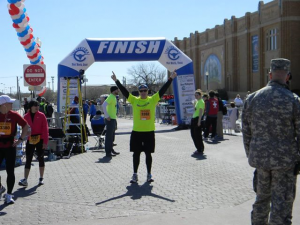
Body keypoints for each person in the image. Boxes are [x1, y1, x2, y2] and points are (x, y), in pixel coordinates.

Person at [242, 58, 300, 224]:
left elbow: (246, 132)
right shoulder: (293, 100)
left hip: (260, 161)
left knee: (261, 201)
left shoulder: (252, 99)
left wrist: (252, 154)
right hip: (285, 162)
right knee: (281, 205)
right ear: (287, 76)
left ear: (270, 74)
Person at [111, 70, 177, 183]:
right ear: (139, 92)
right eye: (141, 91)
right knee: (136, 154)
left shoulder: (153, 99)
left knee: (148, 154)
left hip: (149, 132)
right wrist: (116, 81)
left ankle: (149, 174)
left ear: (148, 91)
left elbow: (163, 90)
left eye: (145, 90)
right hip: (137, 132)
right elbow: (125, 92)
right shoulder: (134, 100)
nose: (143, 92)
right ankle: (135, 174)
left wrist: (171, 78)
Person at [0, 95, 29, 204]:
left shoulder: (14, 115)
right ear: (4, 105)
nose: (12, 104)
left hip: (10, 146)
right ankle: (0, 188)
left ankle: (9, 195)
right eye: (10, 103)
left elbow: (25, 126)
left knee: (10, 171)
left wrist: (21, 139)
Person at [19, 100, 49, 187]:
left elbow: (45, 129)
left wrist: (45, 142)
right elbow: (23, 128)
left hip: (40, 139)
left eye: (38, 106)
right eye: (35, 106)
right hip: (30, 139)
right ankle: (25, 179)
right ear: (30, 107)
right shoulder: (26, 116)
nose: (37, 107)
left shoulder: (42, 115)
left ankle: (41, 178)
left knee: (41, 158)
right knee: (28, 159)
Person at [102, 86, 119, 156]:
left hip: (113, 118)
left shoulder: (113, 97)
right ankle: (108, 152)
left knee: (112, 136)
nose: (118, 91)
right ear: (114, 90)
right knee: (109, 136)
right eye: (117, 90)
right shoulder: (111, 97)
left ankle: (111, 149)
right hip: (110, 119)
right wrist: (106, 116)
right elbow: (103, 105)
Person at [190, 89, 205, 154]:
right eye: (195, 95)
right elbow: (196, 110)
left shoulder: (201, 101)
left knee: (197, 135)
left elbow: (201, 112)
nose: (196, 96)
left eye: (197, 95)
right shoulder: (197, 101)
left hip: (197, 119)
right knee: (193, 134)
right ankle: (198, 148)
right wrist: (194, 104)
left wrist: (199, 121)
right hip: (194, 118)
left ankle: (200, 148)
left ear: (200, 95)